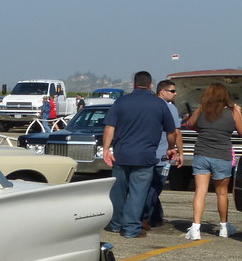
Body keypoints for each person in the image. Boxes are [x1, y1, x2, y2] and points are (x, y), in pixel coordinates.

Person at [101, 71, 177, 238]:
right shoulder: (159, 104)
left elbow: (109, 127)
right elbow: (171, 131)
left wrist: (106, 149)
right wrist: (171, 147)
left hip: (121, 155)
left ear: (133, 84)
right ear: (151, 85)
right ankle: (130, 229)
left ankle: (115, 224)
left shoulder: (121, 102)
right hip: (145, 156)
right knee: (138, 193)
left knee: (118, 192)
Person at [183, 82, 242, 239]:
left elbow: (189, 124)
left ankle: (195, 228)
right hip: (222, 156)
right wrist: (238, 112)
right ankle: (224, 227)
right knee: (222, 193)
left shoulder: (202, 110)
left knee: (200, 191)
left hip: (201, 154)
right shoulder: (231, 112)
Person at [142, 80, 183, 229]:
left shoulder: (148, 105)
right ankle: (145, 217)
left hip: (147, 152)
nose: (175, 94)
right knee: (155, 187)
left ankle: (157, 216)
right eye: (172, 91)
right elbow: (176, 132)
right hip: (163, 154)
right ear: (162, 91)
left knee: (149, 186)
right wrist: (180, 152)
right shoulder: (170, 108)